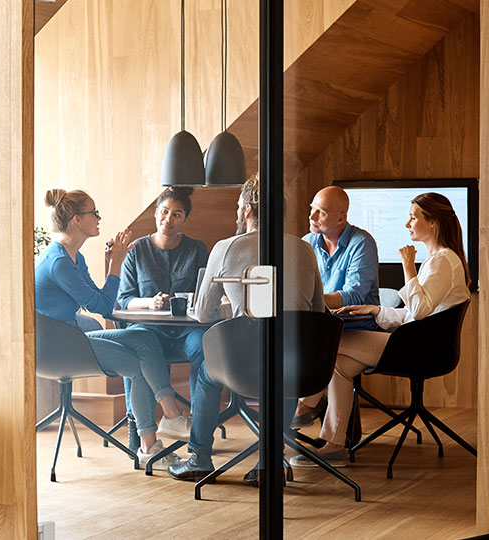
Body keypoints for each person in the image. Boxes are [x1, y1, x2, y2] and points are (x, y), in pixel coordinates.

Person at [290, 192, 471, 467]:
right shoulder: (440, 259)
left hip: (422, 349)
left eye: (413, 217)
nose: (407, 223)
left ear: (432, 223)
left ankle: (303, 406)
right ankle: (335, 445)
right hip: (417, 341)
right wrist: (376, 310)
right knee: (339, 364)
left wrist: (408, 268)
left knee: (330, 342)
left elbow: (420, 311)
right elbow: (413, 313)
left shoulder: (442, 261)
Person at [168, 175, 325, 483]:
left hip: (244, 366)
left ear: (250, 210)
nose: (236, 212)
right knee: (286, 365)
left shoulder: (226, 248)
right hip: (303, 365)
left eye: (239, 206)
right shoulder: (305, 250)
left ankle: (199, 459)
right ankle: (270, 460)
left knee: (205, 370)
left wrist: (234, 307)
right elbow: (316, 312)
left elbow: (202, 315)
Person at [34, 188, 191, 470]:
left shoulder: (73, 257)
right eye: (93, 212)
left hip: (71, 335)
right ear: (76, 220)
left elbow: (103, 298)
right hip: (56, 347)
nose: (98, 218)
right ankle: (153, 440)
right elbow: (105, 307)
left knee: (143, 336)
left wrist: (112, 266)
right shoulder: (59, 263)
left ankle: (168, 418)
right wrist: (116, 262)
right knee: (137, 364)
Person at [117, 187, 208, 447]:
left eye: (176, 214)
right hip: (150, 331)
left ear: (185, 220)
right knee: (137, 346)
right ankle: (138, 425)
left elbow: (206, 293)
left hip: (187, 331)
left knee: (205, 346)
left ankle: (197, 424)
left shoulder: (197, 249)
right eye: (164, 212)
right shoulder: (136, 251)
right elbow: (124, 299)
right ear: (156, 213)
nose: (168, 219)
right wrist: (151, 303)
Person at [303, 186, 380, 327]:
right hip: (321, 325)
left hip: (356, 329)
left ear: (341, 218)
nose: (312, 216)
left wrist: (310, 301)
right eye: (312, 208)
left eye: (321, 212)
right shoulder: (307, 242)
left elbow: (354, 296)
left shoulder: (362, 243)